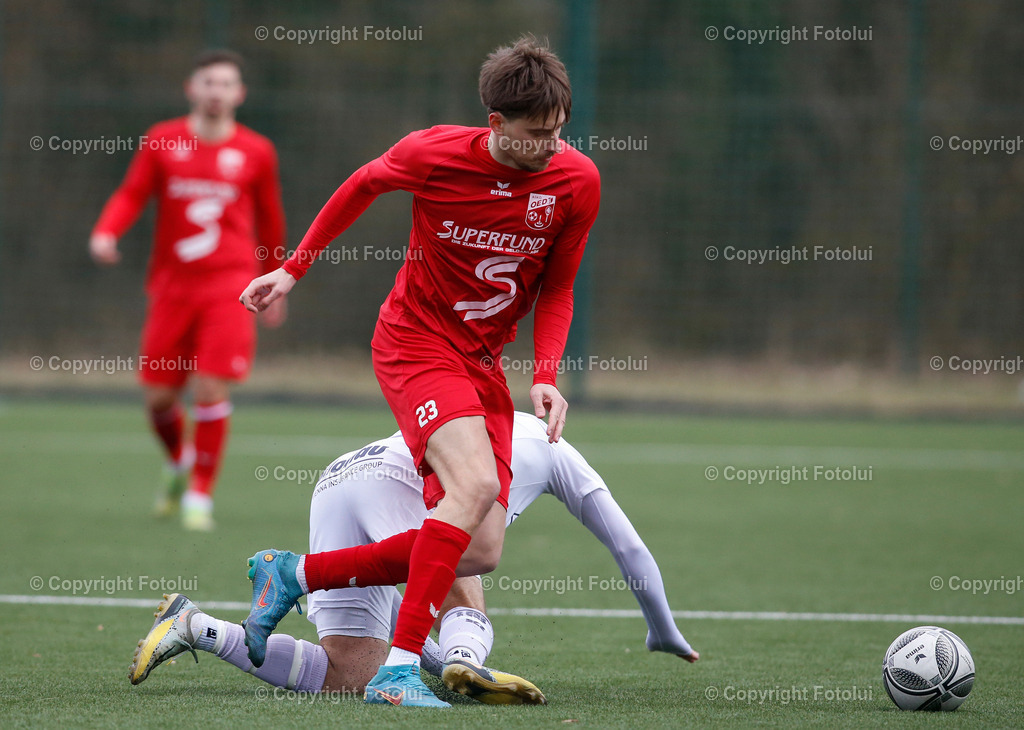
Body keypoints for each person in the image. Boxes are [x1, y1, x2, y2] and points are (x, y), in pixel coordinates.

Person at [238, 35, 600, 706]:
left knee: (481, 548)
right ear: (495, 124)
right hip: (416, 342)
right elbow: (360, 186)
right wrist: (292, 270)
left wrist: (545, 372)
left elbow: (558, 287)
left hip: (481, 364)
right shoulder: (432, 152)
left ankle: (292, 573)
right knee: (478, 484)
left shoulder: (576, 180)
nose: (552, 144)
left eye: (560, 130)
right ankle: (400, 671)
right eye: (536, 134)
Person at [127, 412, 698, 705]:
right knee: (463, 555)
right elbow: (630, 549)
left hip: (339, 476)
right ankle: (457, 659)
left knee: (347, 673)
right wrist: (662, 630)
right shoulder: (561, 454)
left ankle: (195, 627)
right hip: (388, 485)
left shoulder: (480, 415)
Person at [90, 50, 287, 531]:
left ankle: (200, 494)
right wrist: (106, 231)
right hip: (173, 287)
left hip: (231, 285)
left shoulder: (257, 150)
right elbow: (133, 192)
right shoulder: (162, 140)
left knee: (209, 385)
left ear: (239, 94)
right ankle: (179, 461)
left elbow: (270, 219)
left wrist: (277, 279)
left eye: (226, 83)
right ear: (191, 88)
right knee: (159, 399)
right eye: (208, 82)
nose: (216, 91)